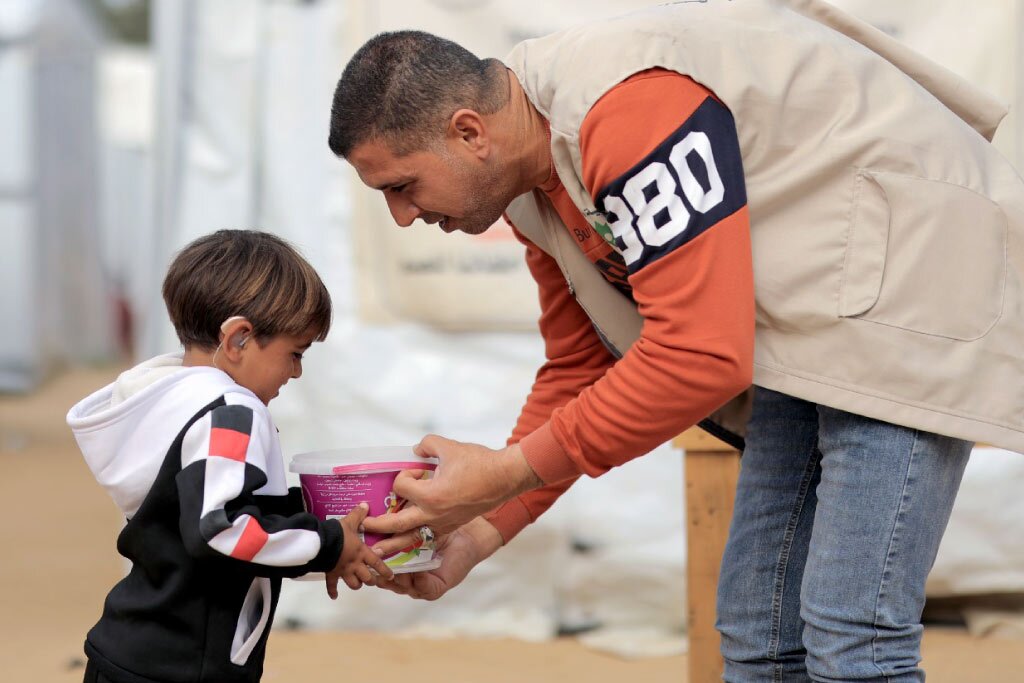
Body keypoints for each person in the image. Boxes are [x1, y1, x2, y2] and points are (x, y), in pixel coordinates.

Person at [328, 2, 1024, 681]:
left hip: (911, 288)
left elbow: (701, 355)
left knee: (855, 637)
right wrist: (479, 531)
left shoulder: (625, 109)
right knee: (757, 638)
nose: (401, 215)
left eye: (403, 184)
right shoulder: (527, 180)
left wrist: (505, 475)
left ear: (470, 131)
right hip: (815, 319)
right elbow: (580, 366)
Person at [66, 229, 392, 683]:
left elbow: (216, 510)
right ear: (238, 339)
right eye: (295, 352)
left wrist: (323, 522)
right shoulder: (231, 411)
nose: (296, 371)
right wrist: (329, 543)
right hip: (182, 667)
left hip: (136, 653)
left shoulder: (172, 400)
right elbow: (220, 529)